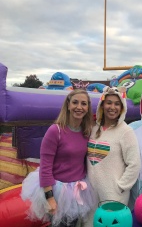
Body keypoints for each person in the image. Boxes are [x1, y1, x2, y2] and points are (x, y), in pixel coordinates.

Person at [21, 89, 96, 227]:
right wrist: (50, 198)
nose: (79, 107)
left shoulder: (87, 132)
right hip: (58, 191)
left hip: (78, 190)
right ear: (68, 105)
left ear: (87, 108)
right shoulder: (56, 131)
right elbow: (45, 166)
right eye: (75, 102)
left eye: (83, 104)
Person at [82, 86, 141, 227]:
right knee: (90, 223)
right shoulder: (93, 129)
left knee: (110, 224)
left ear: (122, 107)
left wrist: (121, 186)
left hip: (113, 194)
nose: (112, 107)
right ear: (102, 105)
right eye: (109, 102)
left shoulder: (126, 132)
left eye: (116, 103)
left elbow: (134, 164)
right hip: (91, 192)